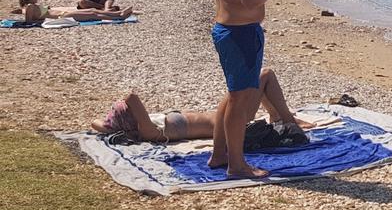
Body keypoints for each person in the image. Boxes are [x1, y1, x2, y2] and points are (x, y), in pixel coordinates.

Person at [209, 0, 291, 179]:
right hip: (240, 33)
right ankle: (237, 164)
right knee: (240, 100)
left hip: (227, 29)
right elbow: (250, 1)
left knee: (233, 94)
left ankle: (220, 154)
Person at [91, 68, 312, 142]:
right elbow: (131, 97)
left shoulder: (148, 128)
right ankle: (289, 121)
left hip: (225, 118)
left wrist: (109, 124)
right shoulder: (150, 131)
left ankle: (279, 117)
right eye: (125, 113)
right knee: (265, 74)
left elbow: (96, 124)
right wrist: (115, 117)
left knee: (260, 78)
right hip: (232, 123)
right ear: (131, 122)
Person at [13, 0, 134, 24]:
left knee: (92, 10)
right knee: (93, 14)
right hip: (61, 17)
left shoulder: (29, 7)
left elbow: (24, 13)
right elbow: (29, 21)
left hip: (61, 15)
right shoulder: (29, 7)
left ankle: (119, 13)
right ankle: (119, 17)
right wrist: (42, 20)